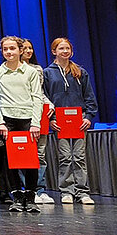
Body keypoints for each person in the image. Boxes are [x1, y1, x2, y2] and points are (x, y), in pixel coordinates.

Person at [43, 38, 98, 205]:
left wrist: (88, 117)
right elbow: (45, 97)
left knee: (80, 157)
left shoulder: (80, 71)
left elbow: (89, 97)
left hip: (79, 121)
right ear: (54, 51)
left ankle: (82, 192)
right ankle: (66, 191)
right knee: (65, 156)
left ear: (71, 51)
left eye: (67, 48)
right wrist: (51, 119)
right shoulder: (48, 73)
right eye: (61, 48)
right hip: (60, 121)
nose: (65, 51)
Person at [0, 36, 44, 213]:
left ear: (20, 50)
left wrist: (35, 123)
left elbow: (37, 97)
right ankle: (16, 197)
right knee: (9, 161)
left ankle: (30, 197)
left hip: (27, 120)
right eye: (5, 49)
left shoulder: (30, 72)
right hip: (7, 121)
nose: (9, 52)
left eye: (12, 48)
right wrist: (0, 122)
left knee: (30, 160)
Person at [21, 38, 55, 205]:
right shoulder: (8, 69)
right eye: (25, 48)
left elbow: (39, 93)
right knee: (21, 153)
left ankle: (40, 190)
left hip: (38, 112)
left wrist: (49, 104)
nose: (28, 51)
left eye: (30, 48)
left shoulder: (37, 69)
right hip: (20, 113)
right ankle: (24, 188)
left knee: (39, 153)